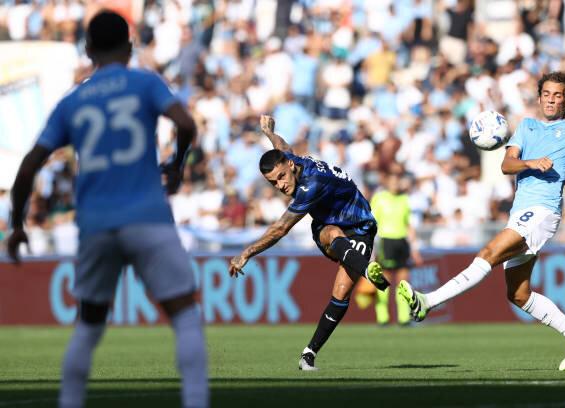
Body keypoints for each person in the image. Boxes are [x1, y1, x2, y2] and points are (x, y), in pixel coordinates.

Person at [7, 11, 208, 408]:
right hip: (148, 216)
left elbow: (29, 164)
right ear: (130, 47)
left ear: (88, 49)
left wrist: (16, 225)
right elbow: (185, 123)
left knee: (88, 326)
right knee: (184, 314)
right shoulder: (144, 82)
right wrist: (177, 163)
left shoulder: (74, 100)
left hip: (96, 224)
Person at [399, 70, 565, 371]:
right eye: (547, 94)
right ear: (539, 98)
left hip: (543, 212)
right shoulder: (526, 126)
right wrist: (530, 163)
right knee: (518, 294)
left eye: (558, 95)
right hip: (520, 212)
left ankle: (427, 302)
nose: (551, 100)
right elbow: (506, 164)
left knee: (487, 254)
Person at [229, 115, 389, 371]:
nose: (280, 185)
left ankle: (308, 354)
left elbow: (281, 228)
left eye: (281, 177)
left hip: (360, 227)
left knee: (341, 293)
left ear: (290, 166)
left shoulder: (312, 184)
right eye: (273, 182)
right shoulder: (293, 161)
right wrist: (270, 132)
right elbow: (283, 147)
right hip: (329, 226)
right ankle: (368, 269)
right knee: (333, 233)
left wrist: (246, 253)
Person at [369, 172, 422, 326]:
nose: (395, 183)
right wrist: (371, 249)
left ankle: (404, 318)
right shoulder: (380, 198)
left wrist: (415, 249)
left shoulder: (405, 199)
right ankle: (382, 317)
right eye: (392, 181)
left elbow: (408, 225)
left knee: (403, 281)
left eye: (397, 180)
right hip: (386, 241)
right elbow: (372, 223)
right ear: (386, 182)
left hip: (402, 242)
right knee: (384, 280)